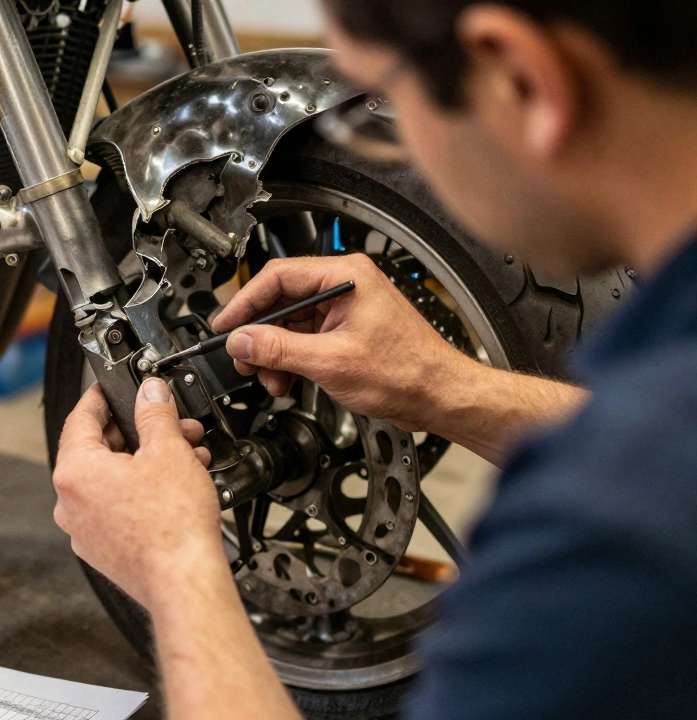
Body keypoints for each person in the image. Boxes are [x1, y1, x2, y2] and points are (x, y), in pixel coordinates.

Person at [51, 1, 697, 718]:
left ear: (519, 77)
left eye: (379, 111)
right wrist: (445, 386)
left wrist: (172, 566)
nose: (384, 145)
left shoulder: (600, 543)